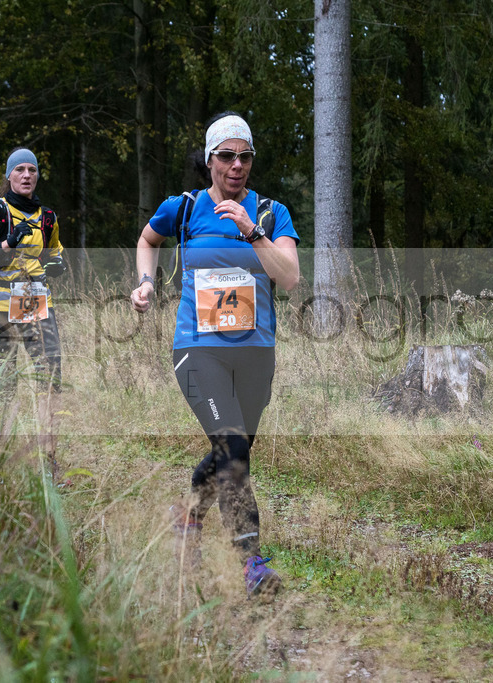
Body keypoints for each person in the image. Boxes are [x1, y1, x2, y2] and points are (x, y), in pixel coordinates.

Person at [130, 112, 300, 599]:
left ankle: (188, 518)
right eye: (226, 156)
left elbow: (289, 279)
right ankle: (251, 563)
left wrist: (252, 232)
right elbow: (148, 240)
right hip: (197, 350)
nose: (237, 165)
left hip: (255, 354)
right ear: (209, 161)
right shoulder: (182, 209)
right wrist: (145, 282)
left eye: (245, 156)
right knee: (232, 450)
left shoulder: (270, 213)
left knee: (235, 449)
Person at [0, 148, 66, 475]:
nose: (26, 175)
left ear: (37, 175)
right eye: (20, 170)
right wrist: (7, 245)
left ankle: (48, 465)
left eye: (32, 170)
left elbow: (55, 254)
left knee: (48, 378)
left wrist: (56, 265)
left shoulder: (47, 217)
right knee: (5, 385)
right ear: (9, 176)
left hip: (34, 301)